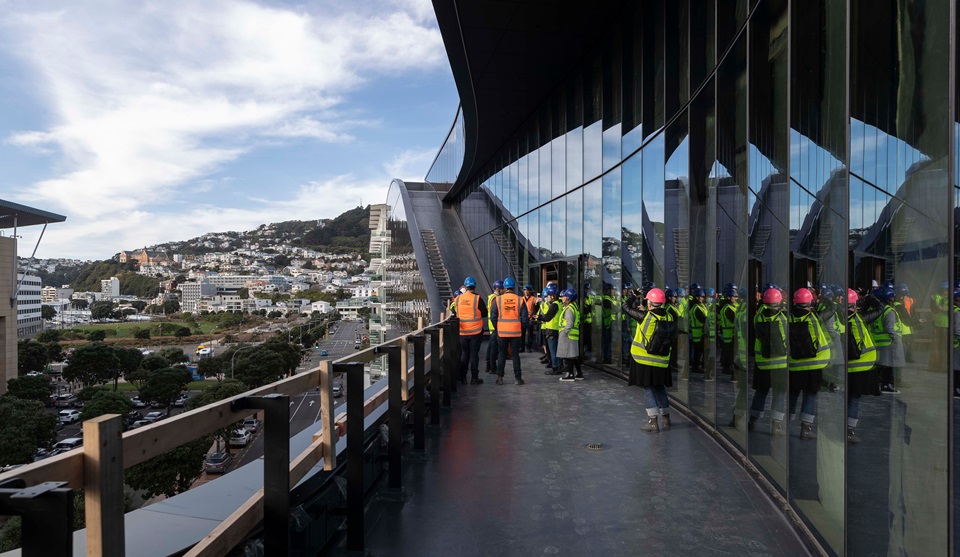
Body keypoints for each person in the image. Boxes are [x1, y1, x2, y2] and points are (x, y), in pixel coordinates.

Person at [622, 287, 677, 433]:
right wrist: (645, 311)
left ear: (650, 303)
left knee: (647, 389)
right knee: (659, 388)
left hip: (644, 360)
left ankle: (652, 422)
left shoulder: (645, 316)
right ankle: (666, 419)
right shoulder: (669, 316)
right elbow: (657, 320)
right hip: (662, 361)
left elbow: (625, 307)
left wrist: (633, 295)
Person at [787, 288, 832, 439]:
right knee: (810, 395)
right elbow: (831, 311)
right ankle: (805, 429)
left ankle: (783, 424)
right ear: (810, 302)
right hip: (814, 364)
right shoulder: (814, 317)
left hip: (795, 364)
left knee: (793, 394)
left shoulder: (790, 318)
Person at [748, 287, 788, 432]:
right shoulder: (783, 317)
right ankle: (776, 423)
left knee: (761, 392)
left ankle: (753, 419)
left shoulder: (758, 317)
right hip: (780, 363)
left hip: (762, 363)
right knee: (779, 393)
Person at [846, 288, 880, 444]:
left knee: (847, 398)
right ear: (854, 304)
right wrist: (870, 297)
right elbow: (880, 309)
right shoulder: (861, 318)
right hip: (860, 367)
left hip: (844, 365)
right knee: (854, 399)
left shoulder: (838, 319)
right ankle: (849, 431)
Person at [868, 287, 904, 394]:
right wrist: (896, 338)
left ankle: (879, 384)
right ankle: (886, 385)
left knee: (881, 364)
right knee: (888, 365)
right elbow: (889, 328)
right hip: (888, 341)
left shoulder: (875, 310)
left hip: (878, 340)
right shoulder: (889, 311)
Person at [491, 278, 527, 385]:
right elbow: (525, 319)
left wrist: (497, 328)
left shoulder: (498, 300)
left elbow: (493, 317)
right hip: (516, 332)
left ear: (505, 288)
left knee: (502, 354)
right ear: (513, 287)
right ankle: (518, 378)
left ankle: (499, 377)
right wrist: (521, 329)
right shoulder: (520, 300)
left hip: (502, 332)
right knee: (515, 355)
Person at [453, 276, 488, 384]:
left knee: (464, 354)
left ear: (465, 287)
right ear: (474, 287)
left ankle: (462, 377)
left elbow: (454, 312)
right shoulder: (477, 299)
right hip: (475, 332)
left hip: (462, 332)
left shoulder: (458, 299)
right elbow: (485, 313)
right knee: (474, 354)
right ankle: (474, 377)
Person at [557, 288, 583, 382]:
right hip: (573, 335)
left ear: (568, 298)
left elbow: (569, 324)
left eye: (564, 296)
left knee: (569, 355)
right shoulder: (574, 306)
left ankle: (570, 374)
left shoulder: (569, 309)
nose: (562, 298)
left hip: (568, 335)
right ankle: (579, 373)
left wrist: (564, 332)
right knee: (574, 355)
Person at [538, 285, 563, 374]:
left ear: (553, 296)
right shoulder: (559, 304)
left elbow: (547, 317)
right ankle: (559, 366)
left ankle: (555, 368)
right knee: (556, 350)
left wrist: (539, 317)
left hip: (552, 330)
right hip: (556, 330)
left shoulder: (554, 305)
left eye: (549, 295)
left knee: (553, 351)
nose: (547, 297)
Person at [717, 285, 739, 377]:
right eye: (733, 297)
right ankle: (728, 367)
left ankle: (726, 367)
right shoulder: (728, 308)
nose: (735, 298)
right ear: (729, 297)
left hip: (727, 333)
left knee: (727, 351)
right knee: (730, 352)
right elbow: (734, 320)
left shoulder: (728, 307)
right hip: (730, 333)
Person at [485, 280, 504, 373]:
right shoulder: (495, 298)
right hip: (495, 325)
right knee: (494, 348)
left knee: (490, 346)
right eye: (502, 289)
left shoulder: (491, 297)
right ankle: (492, 367)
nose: (504, 290)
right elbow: (494, 314)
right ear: (498, 289)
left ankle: (488, 365)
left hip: (492, 325)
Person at [688, 288, 707, 374]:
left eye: (703, 297)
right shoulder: (696, 308)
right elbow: (703, 319)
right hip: (698, 332)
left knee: (699, 350)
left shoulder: (700, 306)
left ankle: (697, 366)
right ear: (696, 297)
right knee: (698, 351)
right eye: (701, 297)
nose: (702, 298)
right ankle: (696, 367)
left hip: (700, 332)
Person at [521, 285, 538, 352]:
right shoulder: (521, 298)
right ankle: (522, 347)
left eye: (527, 290)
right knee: (522, 333)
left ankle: (529, 347)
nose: (526, 292)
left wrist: (533, 316)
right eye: (525, 290)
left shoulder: (533, 298)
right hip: (523, 318)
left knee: (530, 334)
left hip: (530, 318)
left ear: (530, 291)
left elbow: (536, 308)